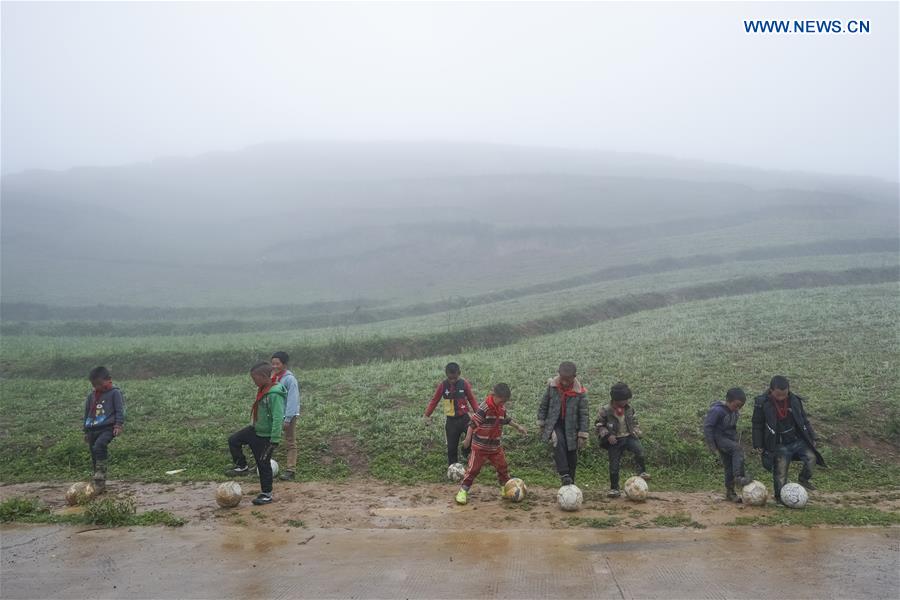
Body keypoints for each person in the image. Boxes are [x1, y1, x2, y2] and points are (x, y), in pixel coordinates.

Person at [752, 375, 825, 504]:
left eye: (784, 394)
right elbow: (757, 424)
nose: (782, 397)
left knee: (812, 457)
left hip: (796, 440)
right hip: (779, 444)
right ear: (771, 390)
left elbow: (804, 419)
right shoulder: (762, 403)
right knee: (780, 471)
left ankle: (803, 479)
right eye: (778, 395)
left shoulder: (794, 400)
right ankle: (780, 497)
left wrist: (812, 435)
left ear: (788, 390)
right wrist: (758, 443)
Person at [454, 383, 527, 505]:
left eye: (505, 402)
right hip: (480, 447)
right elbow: (472, 424)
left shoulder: (501, 408)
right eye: (501, 401)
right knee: (473, 470)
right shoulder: (485, 408)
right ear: (494, 395)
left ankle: (505, 489)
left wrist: (518, 427)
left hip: (495, 447)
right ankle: (462, 491)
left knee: (502, 468)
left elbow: (506, 419)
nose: (502, 404)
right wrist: (467, 440)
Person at [225, 362, 286, 505]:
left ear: (264, 376)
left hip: (266, 436)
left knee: (263, 464)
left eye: (255, 378)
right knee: (234, 440)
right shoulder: (263, 388)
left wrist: (275, 438)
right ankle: (242, 466)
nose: (253, 381)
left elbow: (278, 417)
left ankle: (266, 494)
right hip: (255, 430)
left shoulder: (275, 393)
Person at [537, 361, 590, 486]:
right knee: (558, 441)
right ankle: (564, 474)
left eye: (568, 379)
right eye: (563, 379)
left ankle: (569, 483)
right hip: (555, 423)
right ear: (558, 374)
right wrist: (541, 423)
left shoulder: (580, 393)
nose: (565, 382)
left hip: (572, 427)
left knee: (572, 454)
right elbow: (544, 405)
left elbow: (584, 415)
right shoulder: (552, 387)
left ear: (574, 376)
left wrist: (582, 435)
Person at [596, 382, 650, 497]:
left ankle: (642, 471)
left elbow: (635, 422)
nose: (626, 402)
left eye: (627, 399)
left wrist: (636, 431)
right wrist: (607, 436)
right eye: (624, 400)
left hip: (629, 436)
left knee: (639, 451)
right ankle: (614, 488)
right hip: (615, 441)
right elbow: (599, 425)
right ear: (616, 399)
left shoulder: (629, 409)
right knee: (614, 466)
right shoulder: (605, 410)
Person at [423, 362, 479, 466]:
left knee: (473, 436)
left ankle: (465, 452)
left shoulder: (464, 383)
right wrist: (427, 414)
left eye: (454, 378)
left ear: (459, 373)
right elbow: (434, 400)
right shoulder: (443, 385)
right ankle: (452, 467)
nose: (452, 380)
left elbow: (472, 399)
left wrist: (479, 414)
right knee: (451, 448)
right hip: (451, 421)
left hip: (465, 418)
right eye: (450, 378)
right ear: (446, 375)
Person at [704, 388, 751, 502]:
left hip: (729, 439)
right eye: (736, 405)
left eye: (740, 407)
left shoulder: (734, 411)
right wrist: (712, 445)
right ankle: (739, 477)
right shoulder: (717, 410)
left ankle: (730, 493)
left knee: (729, 466)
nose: (738, 409)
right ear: (728, 401)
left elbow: (732, 428)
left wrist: (734, 440)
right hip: (719, 438)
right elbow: (708, 427)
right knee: (737, 449)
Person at [82, 366, 125, 493]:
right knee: (94, 454)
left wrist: (118, 425)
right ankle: (99, 483)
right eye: (94, 385)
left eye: (100, 384)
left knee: (99, 447)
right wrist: (85, 430)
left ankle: (100, 475)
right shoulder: (91, 396)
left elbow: (119, 410)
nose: (97, 387)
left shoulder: (115, 393)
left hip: (107, 428)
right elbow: (87, 412)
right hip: (92, 429)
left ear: (109, 380)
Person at [271, 351, 301, 481]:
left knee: (290, 442)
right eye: (273, 363)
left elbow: (292, 400)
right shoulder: (274, 378)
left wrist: (288, 418)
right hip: (275, 414)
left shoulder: (289, 379)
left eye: (277, 363)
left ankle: (291, 470)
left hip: (288, 415)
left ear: (284, 364)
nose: (275, 366)